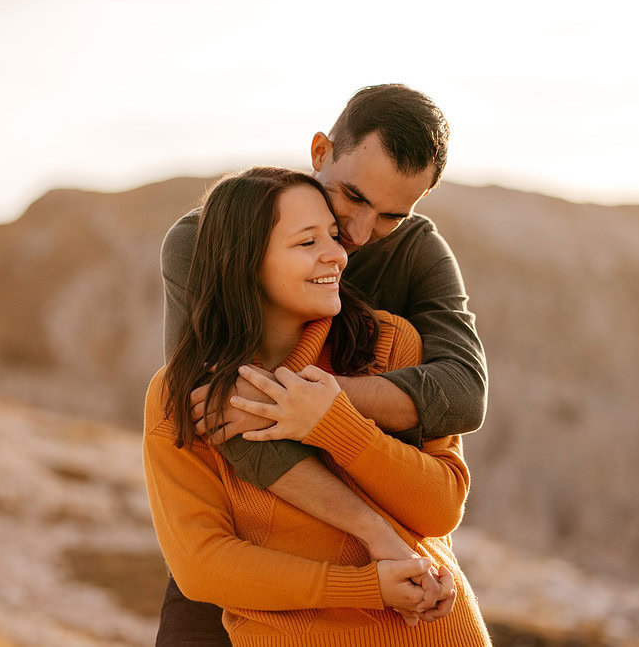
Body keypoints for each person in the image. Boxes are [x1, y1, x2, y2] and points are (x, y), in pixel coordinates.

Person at [157, 84, 488, 644]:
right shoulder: (208, 241)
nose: (358, 235)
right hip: (251, 554)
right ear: (319, 153)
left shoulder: (417, 256)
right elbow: (224, 415)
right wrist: (373, 529)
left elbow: (462, 395)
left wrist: (320, 402)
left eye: (391, 215)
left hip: (395, 574)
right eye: (353, 198)